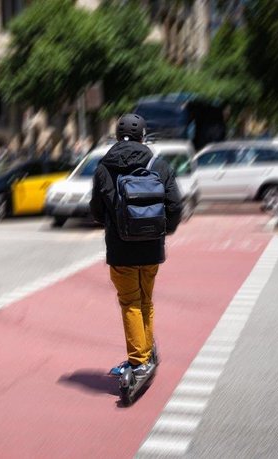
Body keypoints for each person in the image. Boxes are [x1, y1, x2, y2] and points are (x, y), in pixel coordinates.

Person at [89, 114, 183, 379]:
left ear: (117, 138)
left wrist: (110, 222)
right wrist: (164, 230)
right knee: (145, 301)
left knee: (130, 302)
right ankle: (146, 349)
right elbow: (175, 205)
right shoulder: (159, 165)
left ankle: (138, 361)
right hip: (152, 248)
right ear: (144, 137)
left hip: (120, 250)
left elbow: (96, 210)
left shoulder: (104, 167)